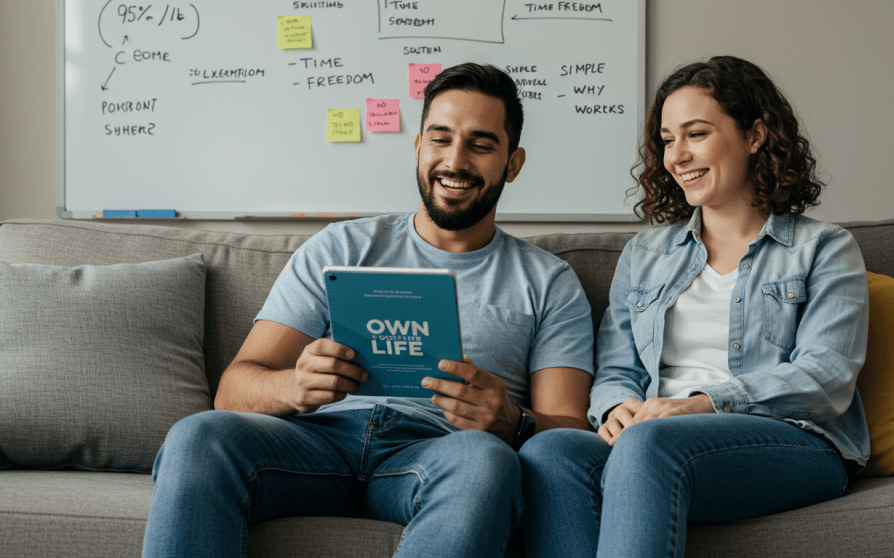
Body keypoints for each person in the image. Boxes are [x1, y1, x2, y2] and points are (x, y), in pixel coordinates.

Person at [141, 62, 595, 558]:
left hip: (441, 452)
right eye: (440, 139)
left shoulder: (549, 281)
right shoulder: (341, 246)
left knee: (487, 460)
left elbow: (570, 428)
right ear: (418, 147)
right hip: (314, 443)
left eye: (481, 144)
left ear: (513, 162)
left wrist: (511, 421)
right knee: (198, 436)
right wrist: (293, 385)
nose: (456, 161)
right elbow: (233, 390)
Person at [518, 55, 871, 558]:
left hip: (789, 441)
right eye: (666, 140)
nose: (676, 155)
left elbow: (826, 376)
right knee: (548, 451)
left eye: (696, 134)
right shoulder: (645, 254)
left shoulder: (824, 248)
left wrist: (700, 404)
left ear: (755, 135)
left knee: (647, 446)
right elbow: (617, 367)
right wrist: (616, 408)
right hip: (657, 435)